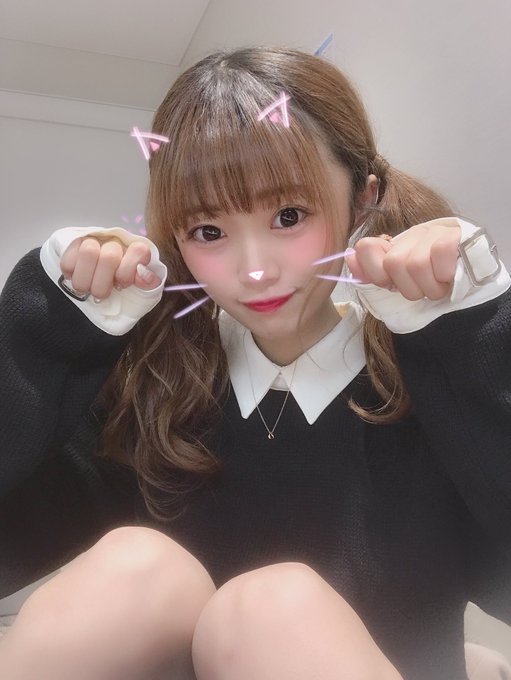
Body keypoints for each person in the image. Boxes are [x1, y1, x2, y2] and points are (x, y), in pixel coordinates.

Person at [0, 45, 510, 680]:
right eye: (208, 232)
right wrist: (49, 324)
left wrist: (476, 335)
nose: (255, 270)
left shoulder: (430, 381)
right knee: (138, 566)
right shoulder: (155, 384)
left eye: (288, 216)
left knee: (271, 610)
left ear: (364, 199)